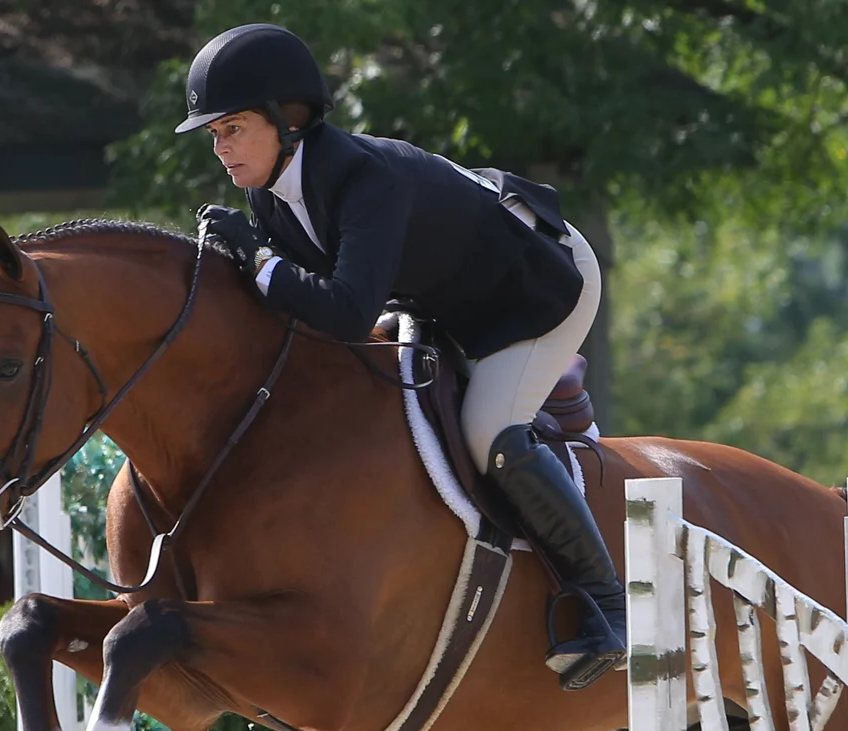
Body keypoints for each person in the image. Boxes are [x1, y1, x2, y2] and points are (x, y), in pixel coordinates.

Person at [178, 24, 626, 691]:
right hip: (445, 299)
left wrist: (259, 260)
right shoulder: (265, 197)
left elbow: (348, 311)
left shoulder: (365, 180)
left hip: (537, 291)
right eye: (215, 135)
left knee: (487, 430)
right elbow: (307, 318)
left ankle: (608, 606)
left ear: (288, 120)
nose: (222, 149)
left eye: (233, 128)